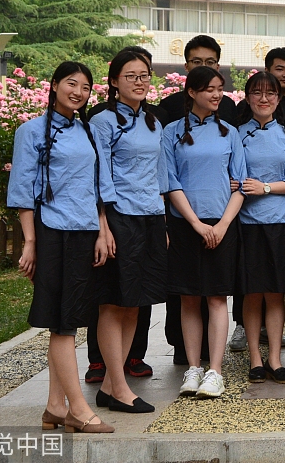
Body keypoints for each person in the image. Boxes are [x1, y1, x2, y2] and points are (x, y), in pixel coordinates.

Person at [8, 61, 116, 433]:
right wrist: (31, 243)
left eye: (86, 88)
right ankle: (79, 410)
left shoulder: (87, 131)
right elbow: (23, 190)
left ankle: (55, 406)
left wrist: (102, 231)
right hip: (52, 233)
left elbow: (98, 186)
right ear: (54, 86)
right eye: (72, 84)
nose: (79, 92)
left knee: (68, 320)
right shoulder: (32, 131)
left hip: (85, 231)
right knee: (63, 325)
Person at [89, 50, 168, 414]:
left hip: (150, 216)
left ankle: (110, 385)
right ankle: (119, 387)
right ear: (114, 81)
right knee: (113, 301)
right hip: (119, 216)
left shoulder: (153, 121)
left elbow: (160, 175)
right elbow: (99, 174)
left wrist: (163, 221)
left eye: (144, 75)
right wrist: (103, 225)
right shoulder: (103, 121)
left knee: (135, 301)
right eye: (131, 75)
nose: (139, 82)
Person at [162, 66, 247, 399]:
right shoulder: (170, 132)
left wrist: (222, 225)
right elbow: (170, 182)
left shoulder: (230, 132)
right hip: (185, 224)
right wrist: (196, 224)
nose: (216, 94)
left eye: (220, 88)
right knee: (188, 298)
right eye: (209, 89)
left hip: (222, 223)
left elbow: (240, 184)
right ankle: (193, 367)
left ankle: (215, 371)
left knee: (216, 297)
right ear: (192, 92)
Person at [229, 47, 285, 353]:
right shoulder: (235, 135)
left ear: (278, 99)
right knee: (251, 293)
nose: (264, 99)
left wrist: (264, 187)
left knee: (276, 294)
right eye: (257, 93)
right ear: (248, 98)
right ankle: (255, 359)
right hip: (247, 223)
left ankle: (276, 358)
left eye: (270, 94)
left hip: (283, 222)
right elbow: (231, 177)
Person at [156, 35, 238, 125]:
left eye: (210, 62)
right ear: (186, 67)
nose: (203, 67)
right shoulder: (169, 105)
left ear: (217, 67)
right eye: (197, 62)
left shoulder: (228, 105)